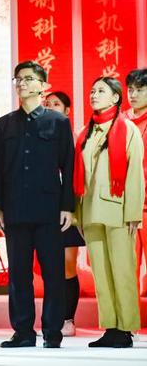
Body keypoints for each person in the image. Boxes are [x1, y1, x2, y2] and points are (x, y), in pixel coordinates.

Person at [0, 61, 75, 349]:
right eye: (18, 79)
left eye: (28, 79)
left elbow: (68, 166)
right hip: (14, 209)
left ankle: (53, 332)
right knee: (18, 274)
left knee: (53, 273)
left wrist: (67, 206)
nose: (22, 83)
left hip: (49, 209)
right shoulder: (4, 124)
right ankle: (23, 332)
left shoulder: (58, 122)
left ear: (43, 86)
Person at [76, 76, 145, 348]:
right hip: (91, 211)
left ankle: (126, 329)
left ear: (115, 98)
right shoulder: (86, 132)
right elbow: (78, 177)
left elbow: (135, 175)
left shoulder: (127, 130)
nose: (94, 95)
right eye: (92, 91)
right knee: (102, 274)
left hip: (118, 211)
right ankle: (110, 327)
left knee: (123, 271)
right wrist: (78, 214)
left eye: (101, 91)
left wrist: (133, 214)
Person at [43, 90, 86, 336]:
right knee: (51, 266)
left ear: (67, 111)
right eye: (47, 104)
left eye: (56, 104)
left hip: (68, 207)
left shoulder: (76, 137)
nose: (50, 107)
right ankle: (53, 317)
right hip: (44, 209)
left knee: (68, 265)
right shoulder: (37, 135)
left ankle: (68, 319)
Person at [124, 68, 147, 296]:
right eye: (130, 89)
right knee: (126, 266)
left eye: (140, 89)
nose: (133, 94)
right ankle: (128, 316)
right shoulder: (120, 121)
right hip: (125, 206)